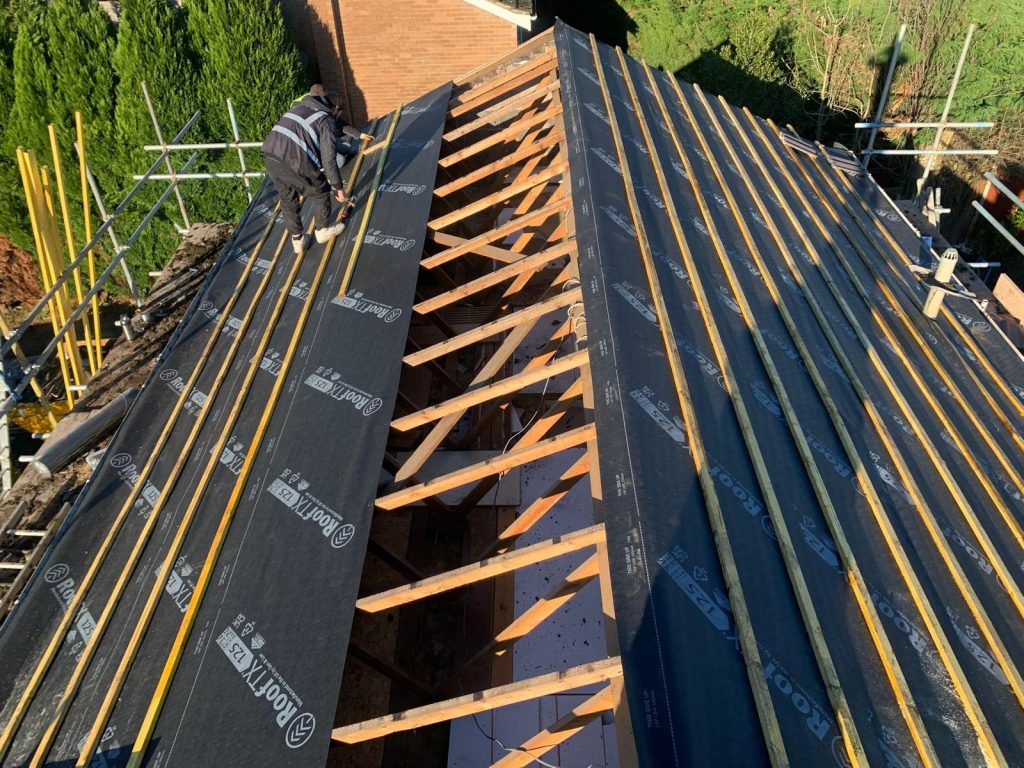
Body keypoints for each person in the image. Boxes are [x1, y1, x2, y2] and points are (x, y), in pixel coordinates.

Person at [261, 85, 373, 255]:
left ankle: (298, 240)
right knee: (321, 190)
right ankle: (322, 230)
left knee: (288, 197)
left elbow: (336, 125)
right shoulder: (325, 120)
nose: (338, 117)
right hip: (293, 158)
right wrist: (338, 187)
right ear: (335, 108)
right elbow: (329, 159)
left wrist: (357, 134)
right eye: (339, 113)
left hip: (270, 155)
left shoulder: (301, 106)